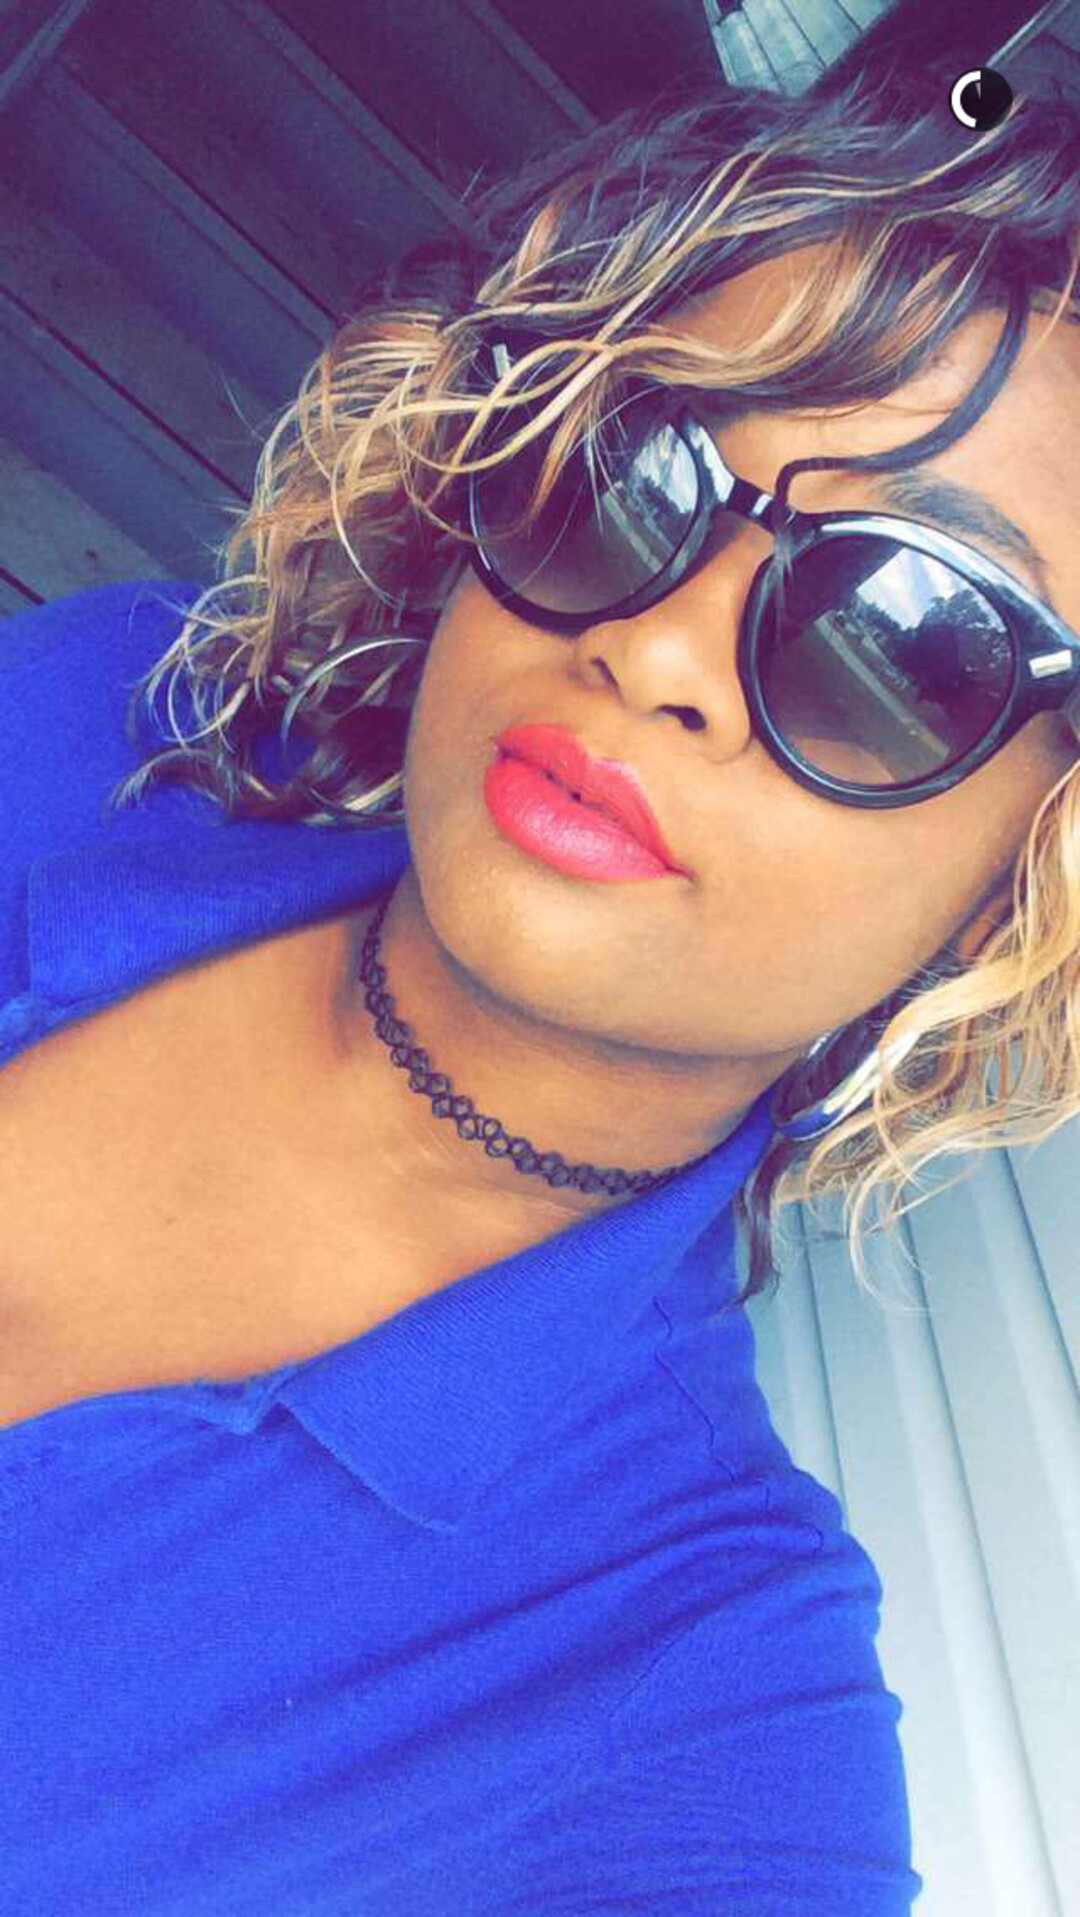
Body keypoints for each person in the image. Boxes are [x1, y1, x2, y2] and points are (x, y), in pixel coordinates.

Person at [1, 57, 1077, 1915]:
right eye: (637, 468)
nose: (655, 647)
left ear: (1027, 881)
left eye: (899, 634)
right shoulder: (111, 705)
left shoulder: (696, 1717)